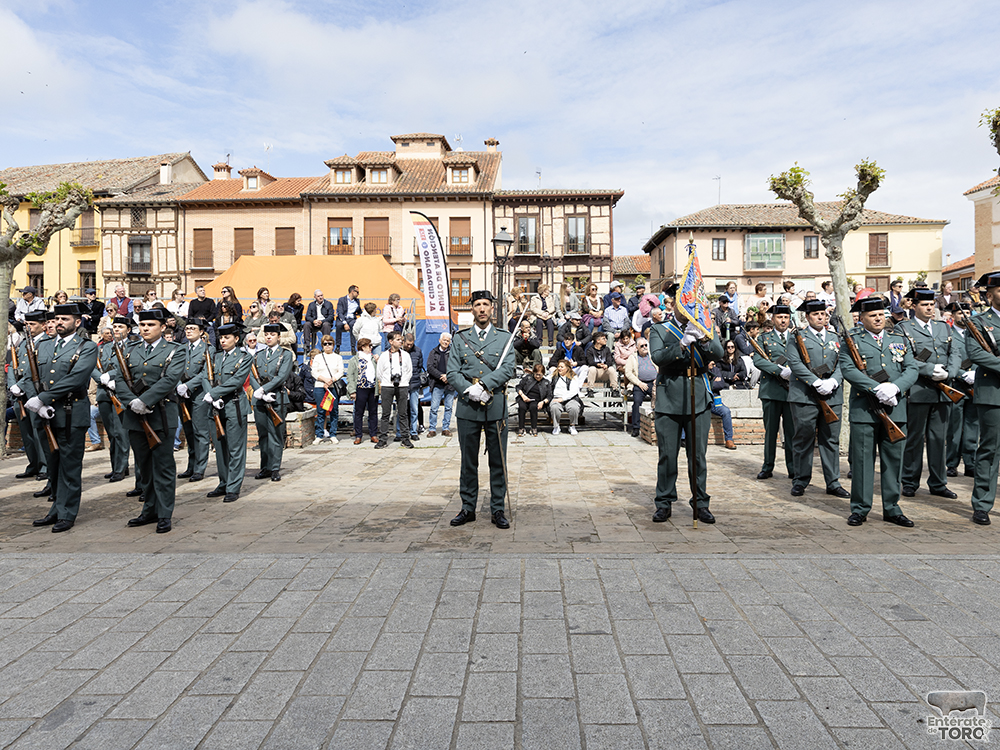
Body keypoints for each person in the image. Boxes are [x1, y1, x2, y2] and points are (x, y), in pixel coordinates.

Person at [19, 303, 99, 533]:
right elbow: (28, 376)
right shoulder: (42, 345)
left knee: (69, 466)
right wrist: (36, 402)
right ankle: (55, 508)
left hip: (71, 412)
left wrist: (43, 398)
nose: (59, 323)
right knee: (52, 466)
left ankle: (67, 513)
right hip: (44, 416)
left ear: (77, 322)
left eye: (65, 319)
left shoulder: (87, 347)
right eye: (57, 319)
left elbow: (76, 378)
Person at [839, 296, 919, 527]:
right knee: (863, 462)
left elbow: (911, 369)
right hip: (865, 409)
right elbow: (848, 369)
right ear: (861, 318)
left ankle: (892, 508)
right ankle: (860, 508)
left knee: (893, 462)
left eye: (881, 315)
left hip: (895, 408)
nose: (878, 319)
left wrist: (895, 387)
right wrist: (876, 388)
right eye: (872, 315)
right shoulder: (852, 340)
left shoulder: (899, 338)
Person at [648, 285, 724, 524]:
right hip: (669, 395)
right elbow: (658, 357)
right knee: (668, 455)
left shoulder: (705, 329)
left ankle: (701, 503)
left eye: (691, 304)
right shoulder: (659, 329)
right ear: (673, 305)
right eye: (683, 304)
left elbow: (718, 353)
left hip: (698, 396)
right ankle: (664, 502)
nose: (687, 308)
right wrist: (682, 344)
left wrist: (702, 338)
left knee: (698, 456)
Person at [108, 308, 184, 533]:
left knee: (163, 466)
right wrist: (132, 401)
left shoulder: (174, 350)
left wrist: (146, 400)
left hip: (160, 415)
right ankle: (149, 510)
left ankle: (164, 513)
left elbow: (170, 379)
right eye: (142, 325)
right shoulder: (130, 350)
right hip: (134, 416)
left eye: (151, 325)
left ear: (162, 327)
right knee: (144, 467)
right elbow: (118, 377)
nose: (145, 329)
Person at [447, 290, 517, 529]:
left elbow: (509, 368)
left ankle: (497, 509)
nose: (482, 309)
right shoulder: (460, 338)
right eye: (477, 304)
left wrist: (486, 384)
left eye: (486, 304)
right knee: (468, 462)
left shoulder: (504, 337)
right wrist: (470, 390)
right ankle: (468, 508)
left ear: (491, 308)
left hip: (495, 406)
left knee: (498, 461)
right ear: (472, 309)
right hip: (468, 407)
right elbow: (452, 372)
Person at [895, 287, 961, 500]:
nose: (930, 308)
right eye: (924, 305)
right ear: (913, 307)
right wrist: (928, 370)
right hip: (919, 390)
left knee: (938, 439)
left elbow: (955, 353)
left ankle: (938, 482)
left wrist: (950, 372)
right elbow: (901, 356)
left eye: (931, 304)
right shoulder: (903, 328)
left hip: (943, 391)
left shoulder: (944, 328)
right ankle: (909, 481)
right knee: (914, 439)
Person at [785, 300, 848, 498]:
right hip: (804, 395)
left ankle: (833, 482)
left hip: (832, 395)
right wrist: (814, 381)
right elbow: (794, 362)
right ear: (807, 317)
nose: (821, 317)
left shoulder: (836, 337)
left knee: (830, 439)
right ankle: (800, 480)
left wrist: (833, 382)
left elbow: (843, 362)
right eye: (815, 314)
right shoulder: (797, 338)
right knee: (803, 438)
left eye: (823, 314)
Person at [203, 322, 253, 503]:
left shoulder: (244, 357)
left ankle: (233, 486)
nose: (223, 341)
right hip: (215, 407)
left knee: (235, 448)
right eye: (221, 338)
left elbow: (237, 381)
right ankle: (223, 482)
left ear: (236, 339)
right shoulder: (215, 357)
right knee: (220, 448)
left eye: (227, 337)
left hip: (234, 405)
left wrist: (214, 393)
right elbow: (205, 376)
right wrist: (210, 394)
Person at [966, 272, 1000, 525]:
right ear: (990, 295)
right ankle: (982, 504)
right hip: (993, 393)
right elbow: (975, 353)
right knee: (990, 448)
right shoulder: (979, 322)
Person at [751, 304, 795, 482]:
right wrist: (778, 370)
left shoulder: (796, 337)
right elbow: (758, 360)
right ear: (773, 319)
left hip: (792, 391)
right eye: (779, 317)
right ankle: (768, 466)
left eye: (786, 317)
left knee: (792, 433)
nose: (783, 320)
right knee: (771, 432)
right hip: (771, 391)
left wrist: (793, 371)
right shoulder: (764, 338)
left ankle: (793, 468)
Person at [250, 323, 294, 481]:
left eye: (272, 335)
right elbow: (253, 375)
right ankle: (265, 467)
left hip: (276, 398)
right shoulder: (258, 355)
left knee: (275, 434)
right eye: (266, 334)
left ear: (279, 337)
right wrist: (259, 392)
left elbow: (281, 376)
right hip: (260, 400)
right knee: (263, 435)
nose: (269, 337)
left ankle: (275, 468)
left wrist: (265, 389)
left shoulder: (285, 354)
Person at [91, 323, 129, 482]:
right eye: (115, 327)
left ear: (128, 329)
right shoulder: (103, 347)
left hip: (120, 393)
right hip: (104, 393)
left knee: (120, 432)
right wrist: (101, 378)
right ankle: (117, 466)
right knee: (112, 433)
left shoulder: (132, 347)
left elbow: (128, 366)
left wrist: (112, 376)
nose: (117, 329)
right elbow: (93, 365)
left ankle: (120, 468)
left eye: (121, 326)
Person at [945, 302, 978, 479]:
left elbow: (984, 354)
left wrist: (976, 372)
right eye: (960, 313)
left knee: (973, 426)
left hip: (975, 384)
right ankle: (952, 463)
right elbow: (947, 359)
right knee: (954, 427)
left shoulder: (976, 333)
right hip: (956, 386)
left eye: (967, 312)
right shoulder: (948, 335)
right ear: (953, 316)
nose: (964, 316)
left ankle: (971, 463)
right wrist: (962, 374)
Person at [175, 317, 210, 483]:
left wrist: (188, 385)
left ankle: (200, 468)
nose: (188, 331)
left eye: (192, 328)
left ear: (201, 331)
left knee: (200, 432)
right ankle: (191, 465)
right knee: (188, 431)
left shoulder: (207, 349)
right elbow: (174, 369)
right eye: (187, 328)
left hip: (199, 395)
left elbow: (205, 373)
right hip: (182, 395)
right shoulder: (181, 348)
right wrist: (180, 385)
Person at [375, 331, 412, 449]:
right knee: (385, 414)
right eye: (397, 339)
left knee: (403, 414)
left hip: (402, 386)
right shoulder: (384, 356)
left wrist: (403, 381)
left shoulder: (405, 355)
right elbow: (379, 373)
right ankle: (383, 439)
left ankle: (405, 439)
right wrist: (387, 381)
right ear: (390, 342)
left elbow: (409, 371)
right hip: (387, 386)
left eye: (401, 339)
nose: (401, 341)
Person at [347, 338, 379, 444]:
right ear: (363, 347)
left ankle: (373, 434)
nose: (371, 348)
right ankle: (358, 435)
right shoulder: (354, 360)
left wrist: (378, 361)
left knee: (373, 412)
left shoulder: (373, 359)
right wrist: (352, 390)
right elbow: (350, 376)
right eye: (369, 346)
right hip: (360, 388)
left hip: (372, 388)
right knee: (359, 413)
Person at [312, 335, 343, 443]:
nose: (328, 346)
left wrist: (331, 380)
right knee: (321, 411)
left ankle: (333, 434)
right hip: (320, 386)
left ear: (333, 345)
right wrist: (324, 380)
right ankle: (319, 435)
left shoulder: (338, 357)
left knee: (334, 410)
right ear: (322, 345)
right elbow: (314, 372)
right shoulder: (318, 357)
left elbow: (340, 371)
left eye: (330, 343)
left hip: (332, 386)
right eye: (325, 344)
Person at [624, 336, 656, 438]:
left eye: (646, 345)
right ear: (637, 348)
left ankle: (658, 425)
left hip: (653, 383)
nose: (644, 347)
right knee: (637, 402)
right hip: (639, 383)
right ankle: (636, 428)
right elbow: (628, 373)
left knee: (661, 399)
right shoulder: (632, 357)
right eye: (641, 346)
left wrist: (657, 379)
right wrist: (639, 383)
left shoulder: (652, 355)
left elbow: (659, 368)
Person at [426, 332, 455, 437]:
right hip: (437, 384)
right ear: (440, 340)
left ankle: (446, 428)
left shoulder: (453, 352)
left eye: (448, 341)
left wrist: (448, 376)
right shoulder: (433, 352)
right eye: (444, 340)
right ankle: (432, 429)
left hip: (450, 383)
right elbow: (429, 367)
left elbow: (456, 365)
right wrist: (441, 376)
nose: (445, 342)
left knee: (448, 407)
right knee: (434, 407)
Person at [707, 361, 737, 450]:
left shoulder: (716, 370)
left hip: (715, 400)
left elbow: (721, 384)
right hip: (701, 400)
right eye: (710, 361)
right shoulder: (701, 370)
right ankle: (683, 438)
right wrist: (713, 381)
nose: (713, 363)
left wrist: (709, 383)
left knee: (726, 411)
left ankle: (729, 440)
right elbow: (699, 385)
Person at [515, 363, 550, 437]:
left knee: (533, 407)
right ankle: (521, 427)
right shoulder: (528, 378)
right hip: (524, 398)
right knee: (522, 407)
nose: (537, 376)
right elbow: (518, 387)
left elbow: (549, 396)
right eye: (536, 374)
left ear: (543, 374)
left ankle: (534, 427)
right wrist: (523, 396)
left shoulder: (546, 382)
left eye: (539, 375)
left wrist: (543, 402)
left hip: (536, 400)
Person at [401, 333, 424, 442]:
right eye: (408, 344)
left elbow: (419, 366)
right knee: (402, 410)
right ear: (403, 341)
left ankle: (414, 432)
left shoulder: (418, 351)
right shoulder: (399, 351)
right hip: (402, 384)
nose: (409, 346)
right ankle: (400, 432)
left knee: (414, 409)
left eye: (411, 344)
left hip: (414, 383)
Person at [550, 358, 582, 435]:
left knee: (574, 407)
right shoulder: (554, 376)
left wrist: (563, 399)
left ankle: (572, 426)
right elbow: (543, 379)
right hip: (556, 397)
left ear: (567, 368)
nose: (559, 368)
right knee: (554, 407)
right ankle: (556, 426)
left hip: (570, 398)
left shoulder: (573, 377)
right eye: (558, 366)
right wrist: (533, 373)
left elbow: (574, 391)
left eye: (562, 367)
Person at [585, 331, 619, 396]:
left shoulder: (607, 349)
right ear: (598, 340)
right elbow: (590, 361)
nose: (606, 340)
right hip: (595, 372)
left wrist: (606, 365)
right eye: (603, 338)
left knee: (611, 369)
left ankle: (615, 390)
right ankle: (590, 390)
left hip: (605, 372)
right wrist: (598, 364)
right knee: (591, 368)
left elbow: (610, 361)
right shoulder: (590, 350)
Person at [335, 285, 361, 354]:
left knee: (353, 325)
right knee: (338, 325)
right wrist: (345, 323)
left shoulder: (357, 301)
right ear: (352, 292)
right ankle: (338, 346)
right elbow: (340, 312)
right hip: (343, 318)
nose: (358, 294)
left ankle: (353, 347)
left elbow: (359, 311)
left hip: (351, 318)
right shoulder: (342, 300)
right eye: (357, 292)